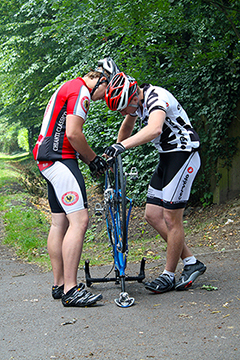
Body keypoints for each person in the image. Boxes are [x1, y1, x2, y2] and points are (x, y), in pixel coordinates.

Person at [101, 72, 205, 293]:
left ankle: (168, 275)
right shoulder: (136, 104)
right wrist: (114, 153)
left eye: (122, 108)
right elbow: (126, 128)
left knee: (171, 217)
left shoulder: (156, 97)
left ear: (133, 97)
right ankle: (191, 262)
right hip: (167, 157)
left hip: (184, 155)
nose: (123, 113)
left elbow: (155, 129)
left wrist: (122, 147)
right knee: (152, 215)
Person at [32, 63, 111, 307]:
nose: (103, 98)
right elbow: (74, 134)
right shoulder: (82, 93)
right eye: (105, 92)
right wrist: (93, 159)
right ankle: (71, 290)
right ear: (100, 81)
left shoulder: (68, 86)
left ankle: (58, 285)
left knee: (60, 222)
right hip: (61, 159)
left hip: (46, 159)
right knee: (80, 221)